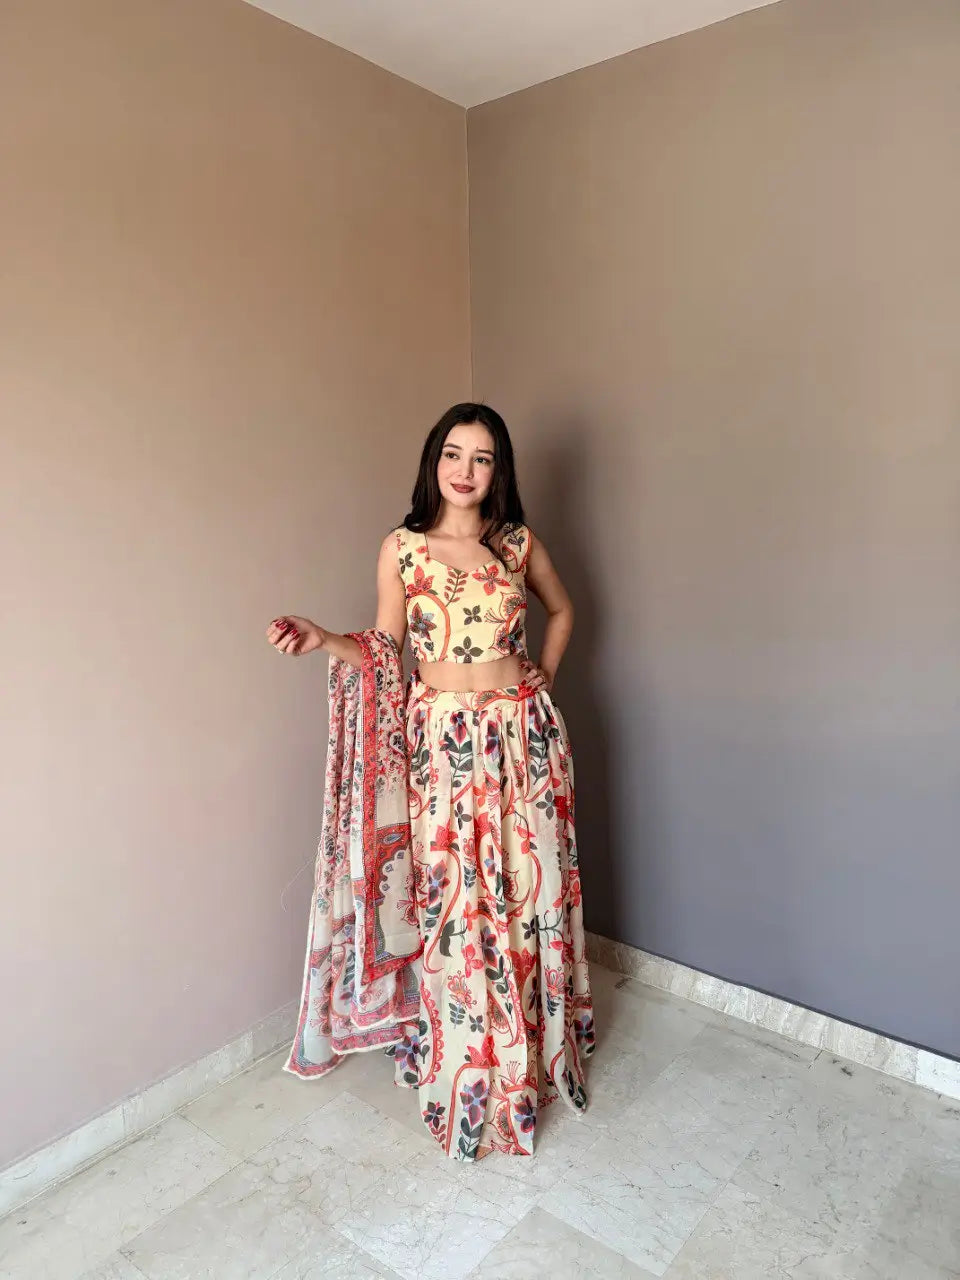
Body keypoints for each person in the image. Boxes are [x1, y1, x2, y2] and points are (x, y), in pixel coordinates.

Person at [266, 403, 594, 1160]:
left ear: (498, 469)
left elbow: (565, 611)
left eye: (482, 457)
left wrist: (545, 675)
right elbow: (386, 652)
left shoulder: (516, 544)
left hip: (523, 739)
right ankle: (470, 1064)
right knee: (458, 901)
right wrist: (324, 638)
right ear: (433, 461)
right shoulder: (403, 549)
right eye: (453, 453)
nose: (465, 470)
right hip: (443, 748)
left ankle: (534, 1056)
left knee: (531, 893)